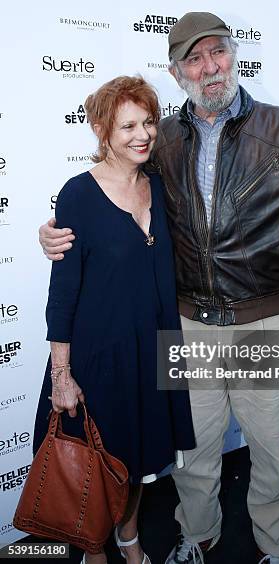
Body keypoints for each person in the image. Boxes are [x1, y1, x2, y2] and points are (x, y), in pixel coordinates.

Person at [39, 13, 279, 564]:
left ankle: (275, 547)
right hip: (188, 325)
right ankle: (197, 535)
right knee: (194, 450)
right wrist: (61, 231)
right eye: (194, 59)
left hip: (264, 322)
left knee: (273, 451)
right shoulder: (163, 141)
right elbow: (115, 199)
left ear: (235, 55)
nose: (210, 68)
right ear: (177, 71)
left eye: (218, 53)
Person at [33, 76, 195, 564]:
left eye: (148, 122)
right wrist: (62, 377)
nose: (142, 134)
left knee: (138, 463)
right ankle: (93, 548)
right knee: (97, 466)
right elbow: (62, 296)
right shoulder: (78, 195)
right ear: (101, 129)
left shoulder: (160, 188)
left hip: (151, 355)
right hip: (97, 362)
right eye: (127, 126)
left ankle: (129, 539)